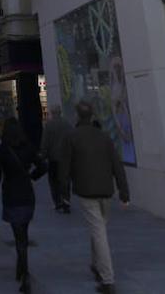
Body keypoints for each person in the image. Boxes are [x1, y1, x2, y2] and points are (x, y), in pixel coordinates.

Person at [65, 103, 130, 294]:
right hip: (105, 190)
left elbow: (65, 166)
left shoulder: (73, 136)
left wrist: (63, 191)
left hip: (86, 191)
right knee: (99, 227)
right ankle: (96, 264)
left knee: (99, 232)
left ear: (77, 116)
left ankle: (107, 279)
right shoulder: (104, 137)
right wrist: (123, 191)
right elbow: (117, 165)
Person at [0, 119, 48, 293]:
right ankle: (20, 269)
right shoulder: (28, 147)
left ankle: (25, 274)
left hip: (12, 195)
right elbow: (43, 166)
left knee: (19, 237)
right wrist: (32, 176)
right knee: (23, 233)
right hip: (27, 194)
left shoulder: (2, 150)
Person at [40, 110, 74, 213]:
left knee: (53, 181)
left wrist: (43, 154)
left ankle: (57, 201)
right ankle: (66, 199)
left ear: (52, 114)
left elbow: (45, 141)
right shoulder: (67, 124)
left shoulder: (49, 125)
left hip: (53, 157)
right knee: (65, 180)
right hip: (65, 157)